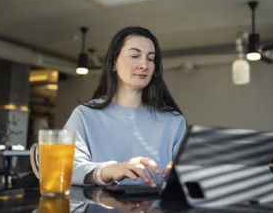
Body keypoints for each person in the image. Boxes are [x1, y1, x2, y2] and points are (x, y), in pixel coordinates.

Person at [64, 26, 187, 187]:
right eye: (135, 55)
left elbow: (192, 177)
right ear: (114, 62)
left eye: (150, 58)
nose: (144, 64)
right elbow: (65, 167)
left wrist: (180, 174)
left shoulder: (174, 121)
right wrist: (110, 170)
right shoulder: (84, 115)